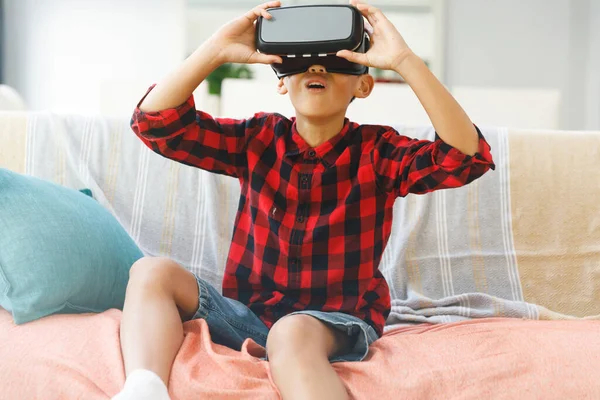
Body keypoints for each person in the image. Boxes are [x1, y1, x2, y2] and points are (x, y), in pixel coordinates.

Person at [112, 1, 495, 399]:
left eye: (334, 60)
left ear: (363, 85)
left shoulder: (377, 152)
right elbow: (155, 124)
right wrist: (216, 49)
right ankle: (143, 388)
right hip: (247, 316)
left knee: (291, 331)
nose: (316, 68)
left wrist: (402, 60)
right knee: (151, 270)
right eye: (303, 61)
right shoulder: (257, 138)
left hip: (334, 323)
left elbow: (465, 158)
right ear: (281, 80)